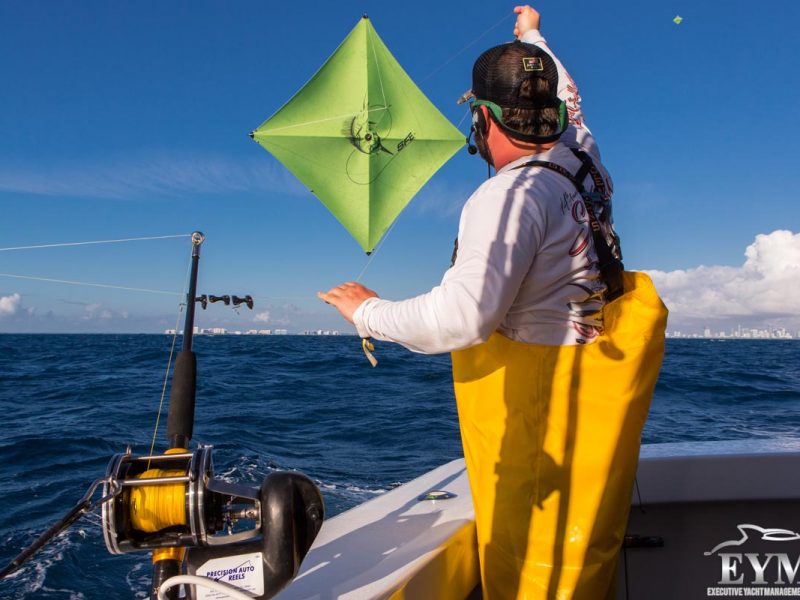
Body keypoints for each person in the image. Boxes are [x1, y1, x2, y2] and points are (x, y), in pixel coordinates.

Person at [319, 6, 667, 598]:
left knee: (535, 573)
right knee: (585, 555)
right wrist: (532, 35)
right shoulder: (582, 151)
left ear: (481, 116)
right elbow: (571, 94)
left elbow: (464, 318)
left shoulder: (508, 197)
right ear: (551, 109)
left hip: (541, 425)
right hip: (593, 410)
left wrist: (366, 311)